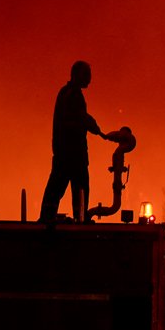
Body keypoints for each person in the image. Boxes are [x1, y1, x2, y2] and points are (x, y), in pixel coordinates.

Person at [39, 60, 107, 222]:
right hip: (73, 153)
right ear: (77, 75)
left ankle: (47, 217)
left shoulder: (66, 93)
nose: (90, 80)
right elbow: (82, 118)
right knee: (80, 186)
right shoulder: (73, 94)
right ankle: (79, 218)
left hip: (65, 152)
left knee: (57, 185)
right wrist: (98, 130)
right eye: (87, 75)